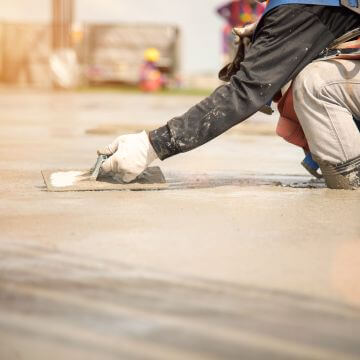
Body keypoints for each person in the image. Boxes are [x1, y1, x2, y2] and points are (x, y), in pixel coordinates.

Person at [98, 0, 360, 189]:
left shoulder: (302, 8)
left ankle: (352, 185)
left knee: (316, 84)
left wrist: (153, 145)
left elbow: (245, 91)